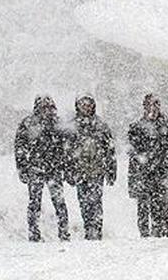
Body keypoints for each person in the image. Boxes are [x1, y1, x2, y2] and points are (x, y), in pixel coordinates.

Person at [128, 94, 168, 238]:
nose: (152, 109)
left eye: (155, 105)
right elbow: (132, 149)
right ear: (144, 107)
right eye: (149, 105)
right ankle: (145, 232)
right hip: (143, 171)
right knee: (143, 202)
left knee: (162, 201)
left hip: (163, 169)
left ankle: (162, 230)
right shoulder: (137, 127)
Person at [14, 95, 71, 242]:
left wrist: (65, 166)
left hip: (54, 169)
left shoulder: (58, 124)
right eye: (43, 106)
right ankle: (34, 233)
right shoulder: (28, 123)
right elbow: (20, 147)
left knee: (59, 202)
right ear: (37, 107)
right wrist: (22, 167)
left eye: (49, 106)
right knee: (34, 202)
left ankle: (64, 232)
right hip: (36, 169)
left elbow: (67, 148)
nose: (46, 109)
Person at [65, 94, 117, 240]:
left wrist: (111, 169)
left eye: (88, 105)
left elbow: (110, 149)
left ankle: (96, 229)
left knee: (96, 201)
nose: (86, 107)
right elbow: (67, 151)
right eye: (83, 104)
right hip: (79, 171)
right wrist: (68, 170)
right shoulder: (72, 126)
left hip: (97, 171)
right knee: (83, 202)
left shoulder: (101, 125)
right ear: (78, 106)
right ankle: (88, 227)